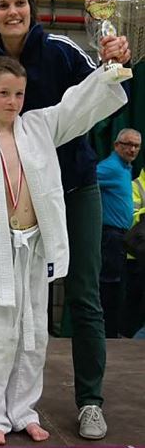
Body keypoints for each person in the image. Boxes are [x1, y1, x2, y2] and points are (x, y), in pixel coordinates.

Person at [0, 0, 131, 440]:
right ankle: (0, 399)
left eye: (20, 3)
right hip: (9, 213)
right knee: (5, 309)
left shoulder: (59, 50)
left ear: (31, 8)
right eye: (2, 5)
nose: (12, 11)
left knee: (83, 296)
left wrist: (113, 64)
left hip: (72, 190)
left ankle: (89, 401)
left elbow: (89, 96)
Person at [97, 129, 141, 338]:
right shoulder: (110, 168)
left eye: (136, 146)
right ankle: (107, 334)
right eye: (127, 144)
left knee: (117, 284)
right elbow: (89, 179)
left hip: (121, 237)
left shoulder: (125, 169)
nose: (132, 149)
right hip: (110, 235)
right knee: (110, 285)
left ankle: (112, 332)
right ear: (116, 145)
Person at [121, 166, 145, 338]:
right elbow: (131, 216)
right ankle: (129, 338)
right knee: (134, 300)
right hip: (136, 255)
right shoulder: (136, 186)